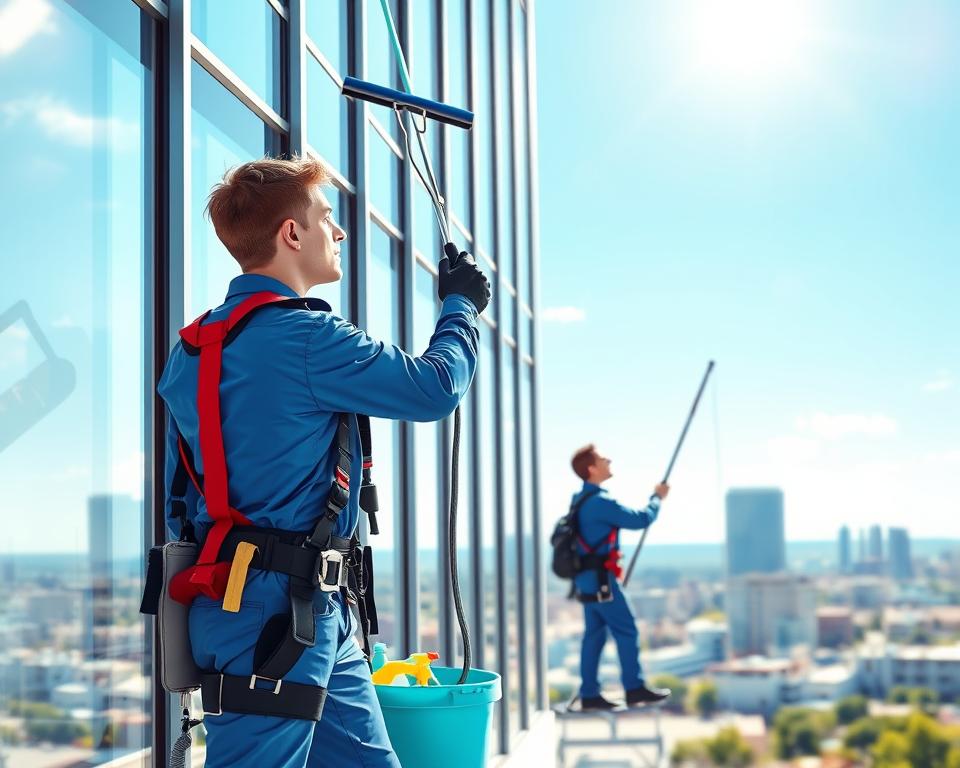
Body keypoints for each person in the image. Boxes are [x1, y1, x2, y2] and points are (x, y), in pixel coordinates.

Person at [158, 157, 490, 767]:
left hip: (276, 605)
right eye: (326, 217)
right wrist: (461, 307)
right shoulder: (309, 338)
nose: (337, 233)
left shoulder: (191, 350)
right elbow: (434, 386)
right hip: (278, 615)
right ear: (292, 234)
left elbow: (181, 494)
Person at [569, 444, 671, 710]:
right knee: (627, 629)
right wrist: (657, 498)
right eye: (603, 459)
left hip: (586, 580)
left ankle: (590, 694)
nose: (609, 460)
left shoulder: (579, 501)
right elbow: (641, 519)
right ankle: (634, 688)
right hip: (602, 581)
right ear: (592, 469)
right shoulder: (600, 503)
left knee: (595, 636)